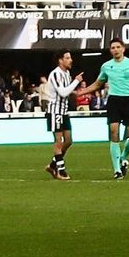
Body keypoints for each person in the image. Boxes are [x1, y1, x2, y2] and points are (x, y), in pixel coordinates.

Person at [75, 38, 129, 180]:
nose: (115, 50)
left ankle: (123, 157)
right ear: (110, 50)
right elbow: (98, 83)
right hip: (114, 101)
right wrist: (81, 92)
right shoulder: (106, 66)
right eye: (113, 47)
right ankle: (117, 170)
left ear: (123, 48)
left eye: (118, 47)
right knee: (114, 132)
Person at [44, 51, 82, 181]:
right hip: (55, 111)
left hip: (64, 111)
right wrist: (76, 82)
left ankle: (53, 165)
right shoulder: (55, 74)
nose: (70, 60)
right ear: (60, 60)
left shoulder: (66, 74)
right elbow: (63, 92)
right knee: (58, 140)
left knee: (68, 140)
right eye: (67, 58)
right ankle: (61, 170)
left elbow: (67, 92)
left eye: (70, 57)